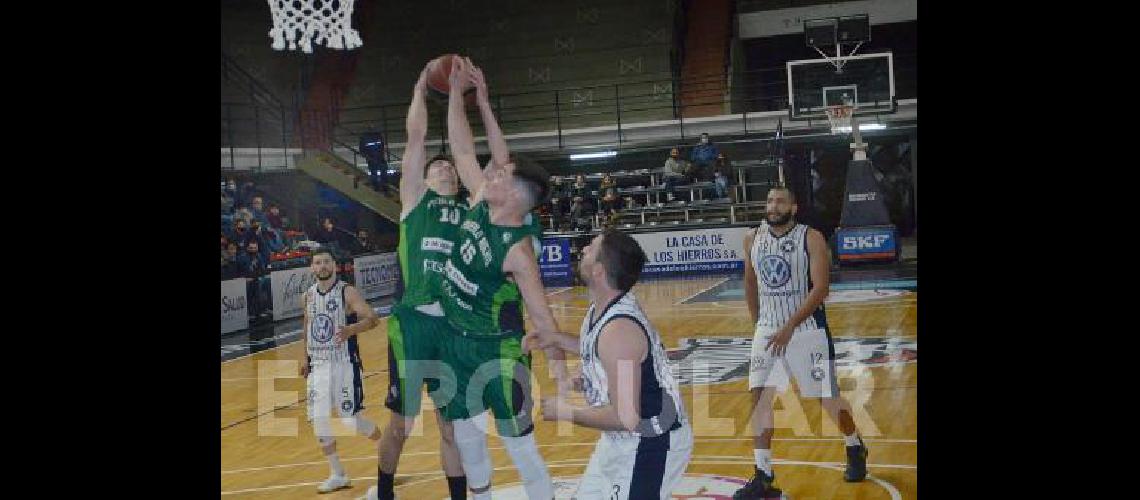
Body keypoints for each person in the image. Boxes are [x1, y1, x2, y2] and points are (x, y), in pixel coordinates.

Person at [438, 57, 571, 500]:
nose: (489, 172)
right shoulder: (481, 200)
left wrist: (560, 371)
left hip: (499, 349)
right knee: (465, 434)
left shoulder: (518, 250)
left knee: (518, 440)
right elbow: (462, 148)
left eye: (499, 174)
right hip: (456, 340)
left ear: (516, 195)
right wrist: (460, 95)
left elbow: (542, 314)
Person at [362, 62, 471, 500]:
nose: (444, 168)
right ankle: (385, 490)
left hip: (452, 329)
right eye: (436, 167)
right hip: (411, 326)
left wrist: (463, 99)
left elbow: (464, 151)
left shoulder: (470, 211)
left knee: (450, 426)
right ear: (423, 179)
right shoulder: (413, 203)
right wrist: (419, 89)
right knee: (402, 424)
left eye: (450, 168)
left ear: (458, 179)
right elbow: (416, 140)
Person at [529, 229, 693, 499]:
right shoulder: (603, 308)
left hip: (650, 443)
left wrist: (566, 412)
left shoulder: (619, 330)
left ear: (599, 271)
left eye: (590, 249)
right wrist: (556, 338)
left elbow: (625, 417)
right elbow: (598, 350)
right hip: (621, 441)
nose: (582, 250)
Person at [733, 186, 869, 499]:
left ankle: (854, 444)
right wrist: (759, 325)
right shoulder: (752, 239)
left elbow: (820, 288)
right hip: (767, 330)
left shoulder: (812, 237)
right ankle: (763, 474)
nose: (773, 205)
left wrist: (789, 326)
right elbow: (750, 282)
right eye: (769, 200)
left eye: (780, 200)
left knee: (826, 397)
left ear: (793, 207)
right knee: (759, 398)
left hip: (806, 329)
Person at [298, 248, 383, 494]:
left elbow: (373, 318)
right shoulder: (307, 296)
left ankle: (387, 456)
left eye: (326, 261)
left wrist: (351, 330)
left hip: (344, 364)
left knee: (351, 421)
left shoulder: (347, 291)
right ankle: (337, 474)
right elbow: (307, 326)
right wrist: (304, 356)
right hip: (318, 366)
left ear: (334, 265)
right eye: (317, 262)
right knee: (319, 420)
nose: (322, 266)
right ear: (312, 268)